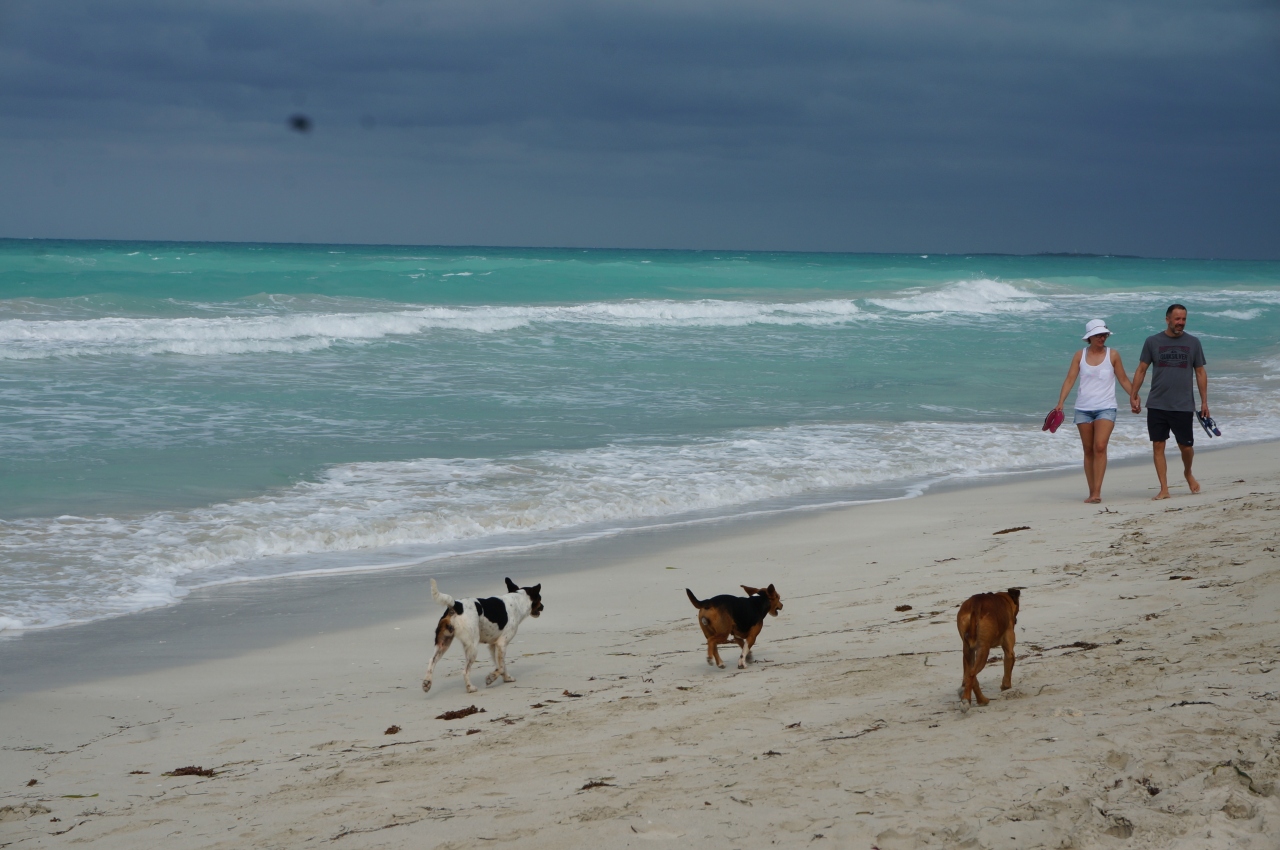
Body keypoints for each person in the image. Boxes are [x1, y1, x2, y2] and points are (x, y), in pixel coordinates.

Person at [1129, 304, 1208, 500]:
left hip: (1183, 404)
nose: (1181, 322)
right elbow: (1141, 369)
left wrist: (1204, 402)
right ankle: (1164, 489)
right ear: (1168, 319)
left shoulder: (1193, 343)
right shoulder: (1152, 341)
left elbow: (1200, 372)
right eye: (1177, 319)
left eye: (1184, 319)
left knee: (1186, 447)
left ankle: (1187, 472)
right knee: (1158, 444)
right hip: (1157, 403)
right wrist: (1133, 394)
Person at [1054, 318, 1134, 503]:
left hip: (1106, 407)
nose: (1102, 338)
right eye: (1098, 335)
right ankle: (1092, 491)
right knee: (1088, 450)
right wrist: (1061, 402)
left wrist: (1134, 397)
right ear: (1089, 337)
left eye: (1104, 334)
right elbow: (1070, 379)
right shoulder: (1079, 355)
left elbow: (1123, 379)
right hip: (1083, 409)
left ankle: (1097, 492)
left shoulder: (1113, 355)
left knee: (1100, 446)